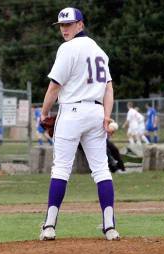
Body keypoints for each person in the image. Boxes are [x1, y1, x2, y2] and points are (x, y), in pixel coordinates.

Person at [39, 7, 120, 241]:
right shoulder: (99, 51)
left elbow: (55, 86)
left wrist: (44, 113)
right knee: (101, 169)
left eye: (69, 24)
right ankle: (110, 227)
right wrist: (106, 115)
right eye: (62, 25)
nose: (64, 29)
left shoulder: (67, 48)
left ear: (80, 25)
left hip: (72, 111)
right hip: (95, 112)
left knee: (61, 169)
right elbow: (108, 88)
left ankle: (49, 226)